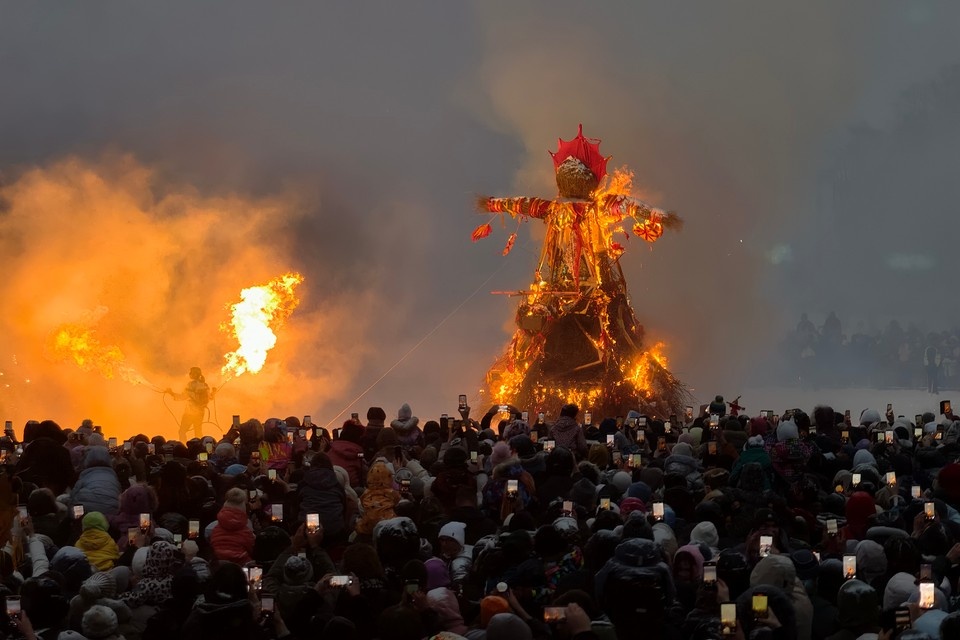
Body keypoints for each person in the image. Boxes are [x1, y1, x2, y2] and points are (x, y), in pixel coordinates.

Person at [166, 367, 216, 441]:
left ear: (195, 374)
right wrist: (214, 391)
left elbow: (183, 397)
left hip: (190, 412)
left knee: (182, 431)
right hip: (200, 413)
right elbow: (210, 397)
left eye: (191, 372)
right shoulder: (205, 385)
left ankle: (183, 448)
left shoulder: (191, 385)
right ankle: (199, 449)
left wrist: (171, 393)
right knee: (198, 432)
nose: (190, 374)